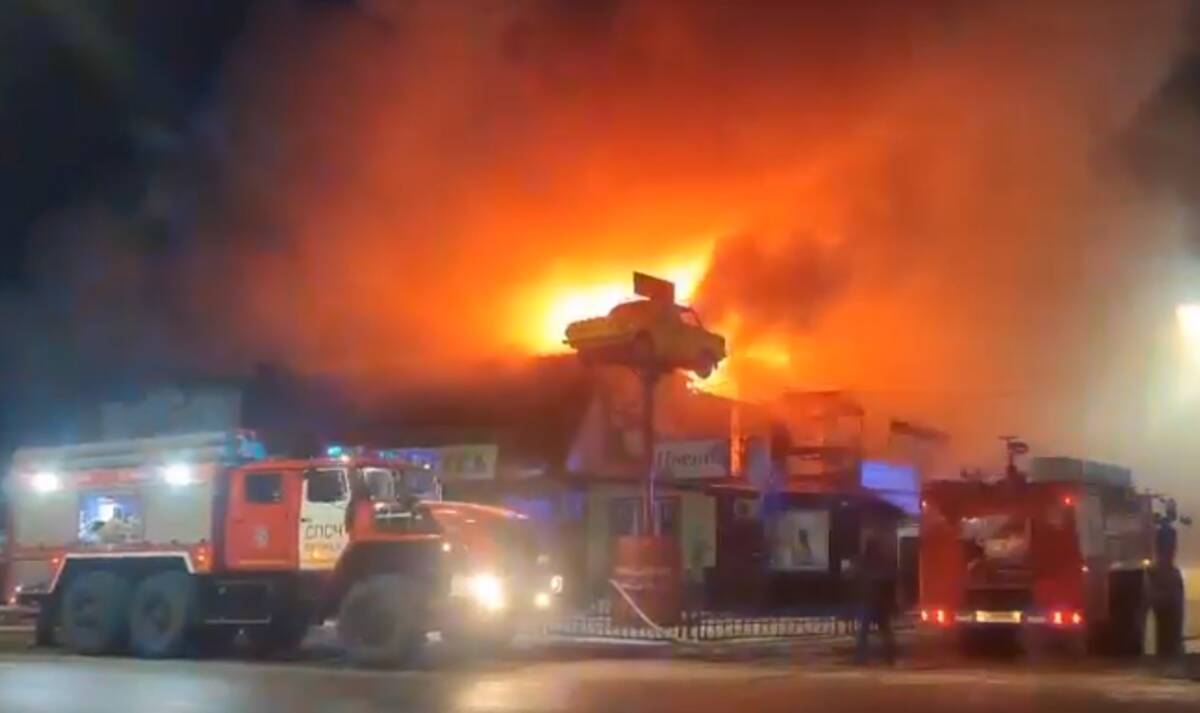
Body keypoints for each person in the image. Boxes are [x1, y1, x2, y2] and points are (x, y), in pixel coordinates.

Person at [855, 532, 897, 665]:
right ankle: (889, 658)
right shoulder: (883, 562)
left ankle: (862, 658)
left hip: (870, 602)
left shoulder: (864, 563)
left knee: (864, 632)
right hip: (881, 603)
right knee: (885, 632)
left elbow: (859, 581)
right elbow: (890, 582)